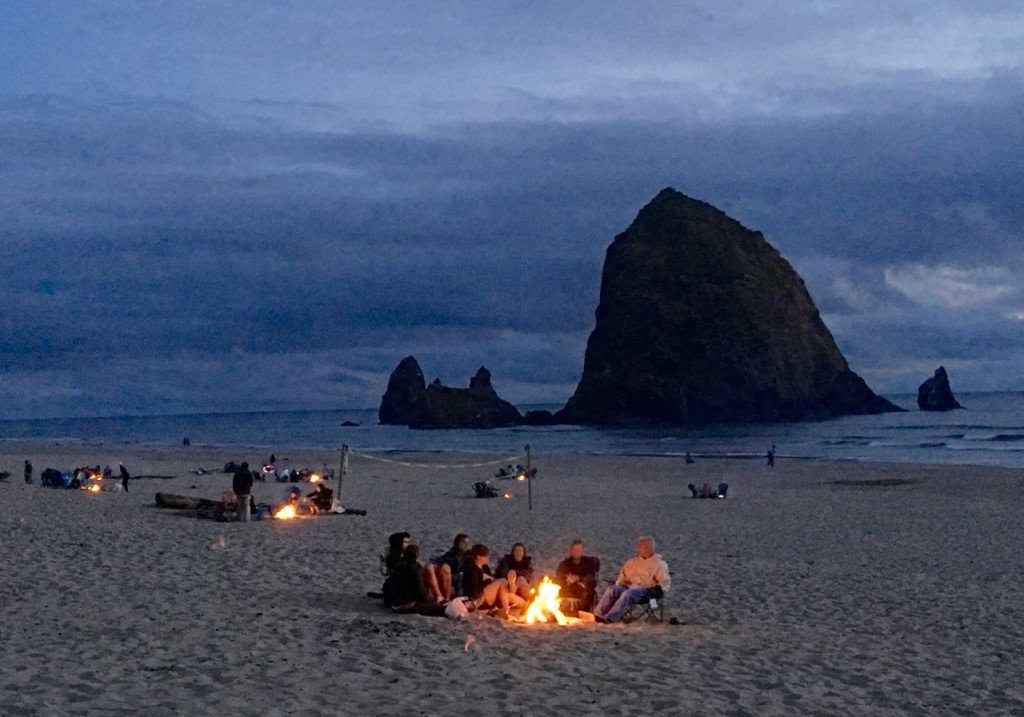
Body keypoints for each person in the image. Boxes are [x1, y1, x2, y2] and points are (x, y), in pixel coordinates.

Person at [593, 536, 670, 624]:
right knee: (612, 589)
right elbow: (622, 575)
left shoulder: (658, 564)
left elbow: (664, 582)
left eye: (640, 546)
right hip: (629, 587)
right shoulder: (632, 562)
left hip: (646, 592)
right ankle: (597, 615)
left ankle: (610, 618)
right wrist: (621, 581)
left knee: (628, 593)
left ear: (648, 548)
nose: (637, 548)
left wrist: (658, 589)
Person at [462, 544, 526, 618]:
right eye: (486, 556)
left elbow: (490, 579)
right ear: (478, 557)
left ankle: (525, 605)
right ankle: (505, 611)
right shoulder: (473, 570)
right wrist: (484, 580)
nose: (488, 558)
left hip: (487, 595)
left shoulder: (484, 567)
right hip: (477, 599)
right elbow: (473, 591)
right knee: (503, 581)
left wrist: (489, 579)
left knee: (508, 594)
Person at [382, 545, 447, 616]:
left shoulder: (398, 565)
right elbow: (421, 593)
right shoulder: (414, 569)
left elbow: (387, 585)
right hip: (404, 604)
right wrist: (430, 596)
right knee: (438, 607)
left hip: (393, 603)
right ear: (416, 556)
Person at [555, 539, 601, 613]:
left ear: (582, 551)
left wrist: (578, 579)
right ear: (571, 550)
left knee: (589, 583)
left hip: (582, 589)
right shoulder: (565, 563)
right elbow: (559, 575)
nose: (576, 552)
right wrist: (567, 579)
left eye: (578, 550)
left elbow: (591, 577)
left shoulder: (588, 563)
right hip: (567, 588)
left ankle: (585, 611)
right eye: (574, 550)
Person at [425, 533, 470, 603]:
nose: (466, 545)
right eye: (463, 542)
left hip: (463, 584)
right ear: (457, 543)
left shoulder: (469, 556)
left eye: (467, 543)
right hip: (452, 584)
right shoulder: (449, 556)